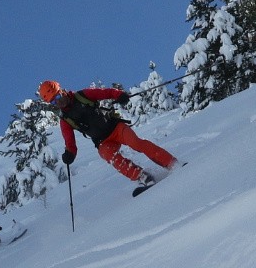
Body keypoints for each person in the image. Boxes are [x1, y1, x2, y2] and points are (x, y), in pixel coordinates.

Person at [38, 79, 180, 195]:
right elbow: (70, 143)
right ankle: (144, 177)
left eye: (57, 96)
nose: (58, 102)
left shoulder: (82, 96)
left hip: (115, 128)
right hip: (103, 141)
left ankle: (172, 163)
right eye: (54, 102)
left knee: (137, 144)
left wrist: (119, 95)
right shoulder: (65, 121)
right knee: (108, 155)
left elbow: (104, 93)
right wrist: (69, 154)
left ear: (62, 91)